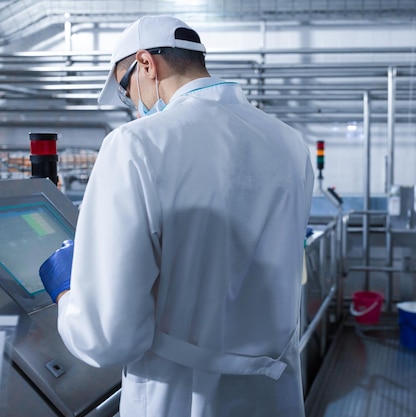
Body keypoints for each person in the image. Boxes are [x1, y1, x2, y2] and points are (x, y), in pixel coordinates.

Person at [38, 15, 314, 417]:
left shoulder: (135, 145)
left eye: (125, 87)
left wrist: (67, 290)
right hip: (271, 392)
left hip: (181, 397)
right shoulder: (290, 143)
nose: (133, 103)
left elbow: (108, 338)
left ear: (147, 64)